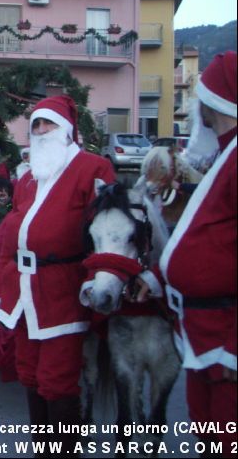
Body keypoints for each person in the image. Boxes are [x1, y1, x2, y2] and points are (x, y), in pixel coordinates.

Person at [0, 95, 115, 454]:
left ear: (67, 130)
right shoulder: (29, 178)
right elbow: (9, 238)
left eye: (49, 124)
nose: (42, 131)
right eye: (36, 125)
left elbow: (107, 234)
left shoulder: (92, 169)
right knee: (29, 372)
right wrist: (3, 284)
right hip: (24, 291)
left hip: (62, 290)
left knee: (57, 381)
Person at [139, 51, 236, 454]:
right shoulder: (225, 155)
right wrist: (156, 278)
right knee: (209, 437)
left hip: (224, 336)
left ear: (213, 102)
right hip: (199, 332)